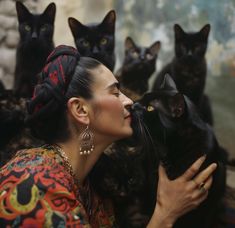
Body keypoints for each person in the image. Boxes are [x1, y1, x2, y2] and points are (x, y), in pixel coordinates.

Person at [0, 45, 217, 227]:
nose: (130, 102)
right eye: (115, 92)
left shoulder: (94, 189)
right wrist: (166, 213)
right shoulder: (35, 184)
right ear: (81, 110)